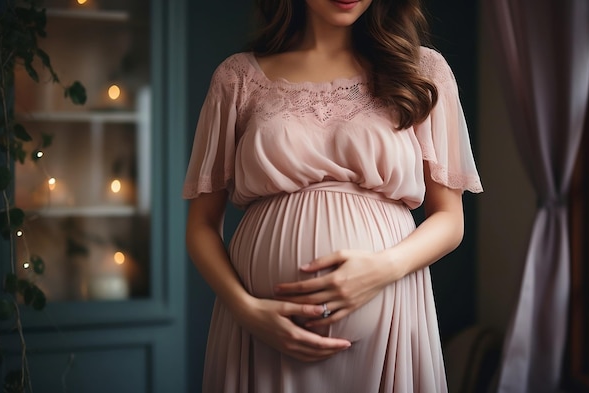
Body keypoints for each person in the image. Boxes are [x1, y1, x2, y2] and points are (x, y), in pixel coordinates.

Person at [183, 0, 482, 391]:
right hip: (261, 330)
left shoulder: (422, 71)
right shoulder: (238, 78)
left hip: (388, 313)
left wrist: (382, 270)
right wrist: (247, 310)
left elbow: (450, 220)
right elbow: (202, 225)